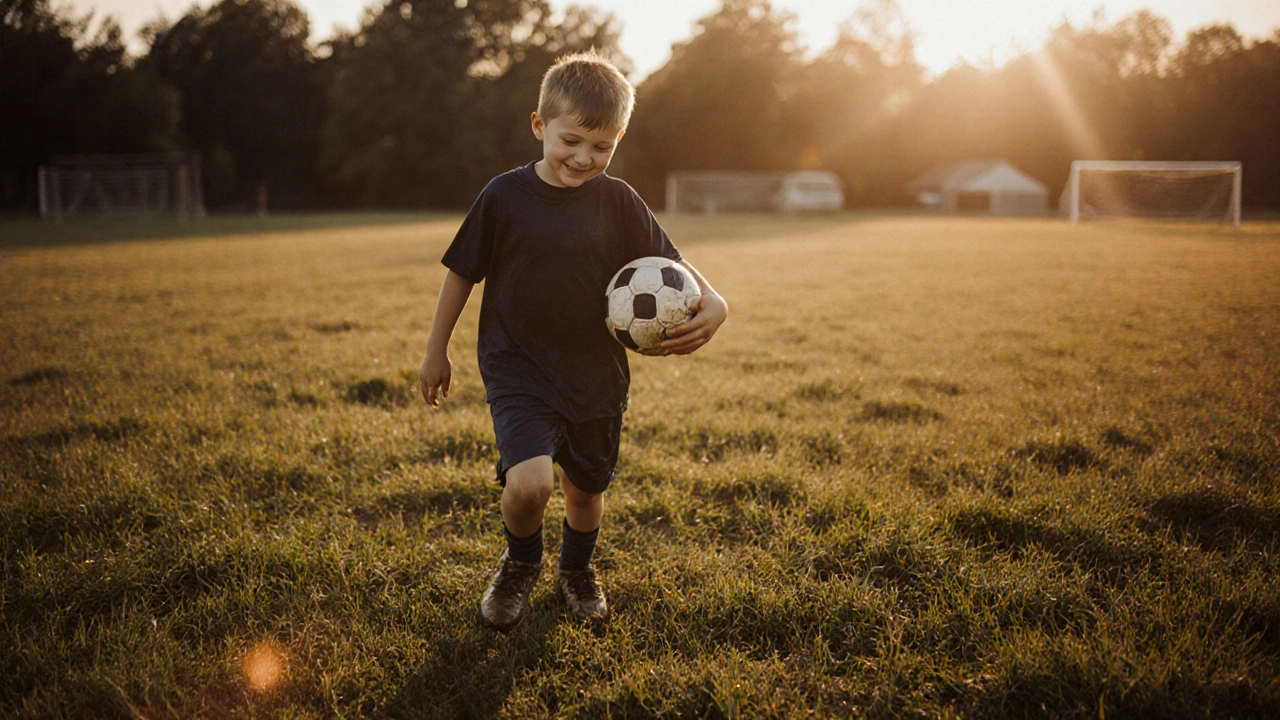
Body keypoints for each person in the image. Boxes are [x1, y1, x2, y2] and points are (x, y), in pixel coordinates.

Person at [418, 51, 728, 631]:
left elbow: (671, 262)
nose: (585, 158)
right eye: (572, 141)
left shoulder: (618, 200)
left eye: (603, 147)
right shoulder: (504, 197)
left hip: (595, 374)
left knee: (585, 492)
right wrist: (437, 351)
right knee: (530, 484)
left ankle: (578, 572)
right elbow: (461, 271)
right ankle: (520, 563)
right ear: (539, 126)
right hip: (518, 368)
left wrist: (718, 300)